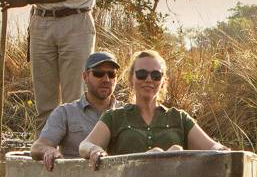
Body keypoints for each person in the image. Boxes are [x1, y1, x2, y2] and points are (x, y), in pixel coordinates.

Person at [78, 50, 225, 167]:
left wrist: (223, 150)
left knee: (176, 150)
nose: (149, 79)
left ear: (163, 81)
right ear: (131, 79)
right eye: (142, 74)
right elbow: (85, 145)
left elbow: (212, 147)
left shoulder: (179, 117)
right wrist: (94, 150)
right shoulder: (115, 117)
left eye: (156, 75)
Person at [31, 51, 120, 170]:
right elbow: (38, 147)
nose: (106, 79)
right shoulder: (65, 112)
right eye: (98, 73)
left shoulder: (127, 112)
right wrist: (49, 151)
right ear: (85, 77)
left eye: (111, 74)